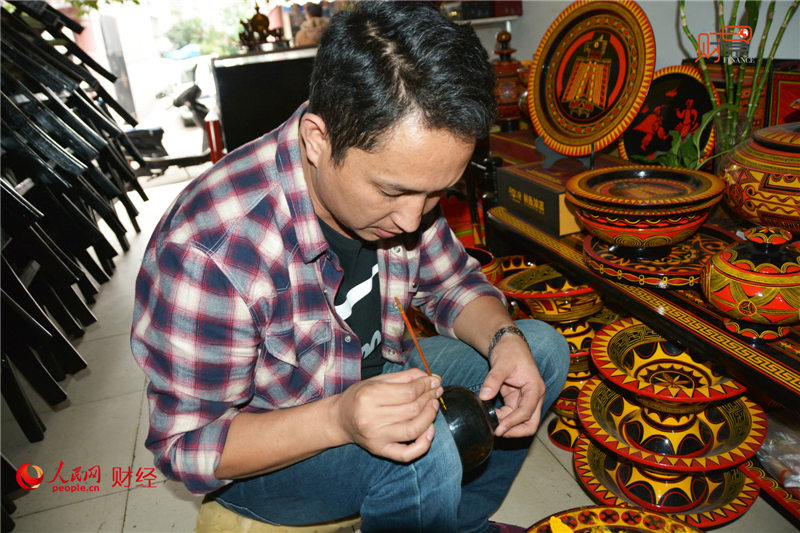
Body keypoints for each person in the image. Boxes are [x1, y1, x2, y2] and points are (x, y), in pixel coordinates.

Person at [131, 3, 569, 532]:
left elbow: (452, 284)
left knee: (540, 350)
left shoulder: (407, 180)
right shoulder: (210, 250)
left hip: (375, 376)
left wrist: (505, 339)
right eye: (392, 191)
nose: (412, 219)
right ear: (318, 140)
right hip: (277, 445)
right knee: (423, 446)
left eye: (437, 193)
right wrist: (338, 418)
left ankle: (460, 521)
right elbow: (187, 446)